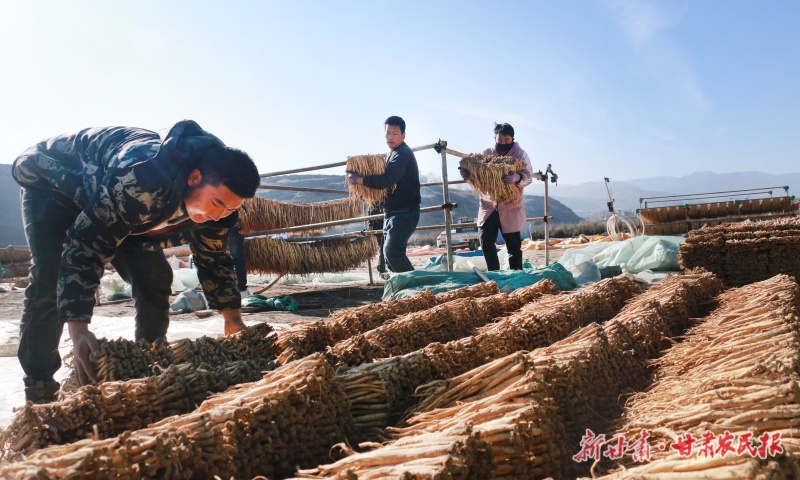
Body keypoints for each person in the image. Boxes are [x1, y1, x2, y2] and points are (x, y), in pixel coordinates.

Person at [12, 120, 261, 402]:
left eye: (229, 209)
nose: (218, 215)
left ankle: (149, 363)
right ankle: (40, 387)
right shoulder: (141, 179)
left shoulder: (219, 212)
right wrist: (78, 330)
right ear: (194, 178)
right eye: (216, 204)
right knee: (50, 276)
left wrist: (232, 319)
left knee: (155, 277)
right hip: (56, 182)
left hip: (118, 205)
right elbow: (87, 245)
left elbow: (214, 259)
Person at [348, 116, 420, 272]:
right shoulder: (392, 154)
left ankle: (417, 285)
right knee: (389, 256)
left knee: (392, 253)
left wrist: (359, 180)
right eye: (388, 133)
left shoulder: (402, 154)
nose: (390, 137)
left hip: (405, 212)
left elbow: (386, 180)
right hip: (392, 212)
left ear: (403, 135)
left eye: (395, 133)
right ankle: (402, 286)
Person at [459, 123, 535, 271]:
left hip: (511, 205)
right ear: (495, 138)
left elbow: (529, 176)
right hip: (489, 204)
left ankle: (515, 274)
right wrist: (467, 176)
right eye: (500, 139)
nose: (503, 143)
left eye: (507, 140)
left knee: (513, 245)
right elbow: (477, 176)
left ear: (512, 138)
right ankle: (494, 273)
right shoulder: (486, 154)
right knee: (485, 240)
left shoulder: (520, 155)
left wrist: (517, 177)